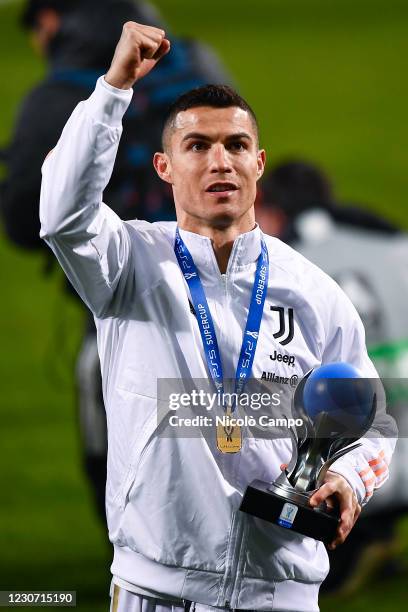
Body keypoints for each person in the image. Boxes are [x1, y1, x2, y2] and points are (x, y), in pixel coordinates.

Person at [39, 22, 396, 611]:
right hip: (154, 585)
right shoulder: (127, 264)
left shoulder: (314, 293)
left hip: (276, 590)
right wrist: (115, 86)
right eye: (197, 146)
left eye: (234, 145)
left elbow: (372, 420)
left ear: (259, 163)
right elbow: (63, 217)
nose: (219, 161)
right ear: (163, 168)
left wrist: (347, 480)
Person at [1, 0, 230, 521]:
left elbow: (22, 218)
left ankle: (135, 565)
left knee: (115, 426)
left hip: (123, 287)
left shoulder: (58, 95)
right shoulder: (198, 63)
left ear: (51, 20)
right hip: (223, 280)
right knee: (233, 427)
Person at [258, 160, 408, 594]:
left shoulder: (287, 269)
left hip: (359, 469)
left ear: (273, 208)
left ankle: (362, 543)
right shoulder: (394, 243)